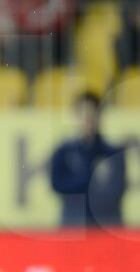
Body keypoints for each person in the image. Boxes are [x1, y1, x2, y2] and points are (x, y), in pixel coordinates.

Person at [50, 91, 126, 228]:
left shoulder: (113, 153)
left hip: (105, 227)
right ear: (76, 116)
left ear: (99, 116)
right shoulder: (64, 152)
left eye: (92, 115)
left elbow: (116, 190)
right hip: (73, 225)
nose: (88, 120)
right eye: (84, 115)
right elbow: (57, 185)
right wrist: (87, 181)